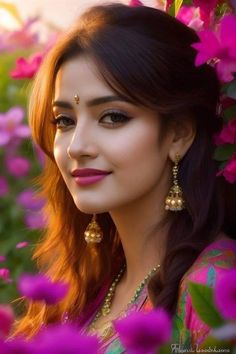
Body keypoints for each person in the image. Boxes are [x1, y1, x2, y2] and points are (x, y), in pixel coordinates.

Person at [13, 2, 236, 352]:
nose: (76, 147)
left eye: (112, 117)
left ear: (178, 134)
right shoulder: (92, 285)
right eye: (65, 121)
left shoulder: (216, 289)